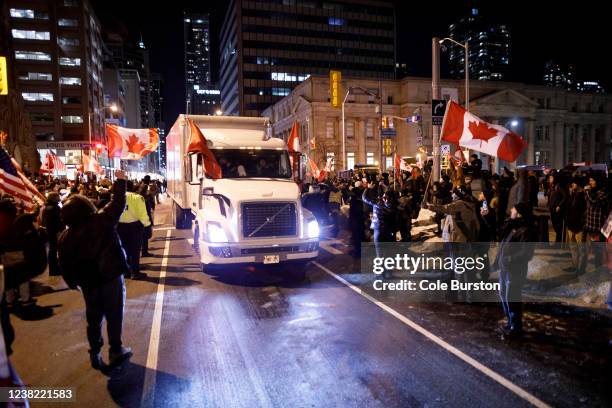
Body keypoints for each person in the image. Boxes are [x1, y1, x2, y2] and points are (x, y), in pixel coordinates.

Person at [58, 170, 132, 369]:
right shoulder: (101, 221)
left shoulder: (64, 237)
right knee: (114, 315)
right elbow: (118, 203)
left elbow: (63, 264)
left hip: (88, 284)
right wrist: (121, 181)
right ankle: (116, 350)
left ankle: (95, 352)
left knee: (94, 318)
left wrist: (74, 283)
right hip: (110, 279)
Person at [495, 202, 538, 338]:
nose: (511, 211)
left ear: (519, 212)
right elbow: (498, 233)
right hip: (504, 267)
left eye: (513, 209)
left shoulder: (526, 229)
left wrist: (509, 259)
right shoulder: (513, 225)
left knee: (512, 297)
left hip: (514, 270)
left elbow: (526, 253)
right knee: (503, 295)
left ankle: (516, 327)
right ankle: (510, 321)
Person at [118, 181, 151, 279]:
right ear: (132, 187)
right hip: (134, 227)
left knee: (124, 249)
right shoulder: (137, 198)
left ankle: (126, 272)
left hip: (120, 227)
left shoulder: (117, 197)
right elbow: (143, 214)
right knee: (135, 250)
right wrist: (147, 226)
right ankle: (135, 272)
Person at [583, 175, 609, 270]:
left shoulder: (603, 193)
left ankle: (599, 272)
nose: (590, 183)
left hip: (598, 228)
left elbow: (593, 202)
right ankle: (582, 270)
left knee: (598, 252)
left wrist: (587, 191)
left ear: (598, 181)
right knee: (587, 250)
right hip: (589, 226)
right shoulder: (592, 192)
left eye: (592, 180)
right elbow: (588, 203)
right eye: (590, 180)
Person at [565, 179, 587, 274]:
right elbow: (569, 207)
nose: (571, 185)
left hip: (579, 226)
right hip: (571, 225)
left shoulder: (585, 195)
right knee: (573, 248)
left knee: (582, 249)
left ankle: (581, 269)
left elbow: (585, 211)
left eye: (573, 183)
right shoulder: (573, 194)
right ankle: (575, 265)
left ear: (578, 185)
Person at [41, 192, 64, 276]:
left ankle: (54, 268)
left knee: (53, 249)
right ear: (54, 198)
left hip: (52, 231)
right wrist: (59, 230)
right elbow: (56, 221)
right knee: (53, 250)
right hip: (54, 231)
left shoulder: (49, 207)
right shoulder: (53, 208)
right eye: (57, 196)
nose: (59, 197)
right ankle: (54, 269)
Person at [548, 177, 568, 243]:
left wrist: (559, 206)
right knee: (554, 225)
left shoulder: (558, 186)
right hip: (552, 209)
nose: (550, 179)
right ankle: (558, 241)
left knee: (558, 226)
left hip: (557, 210)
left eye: (551, 177)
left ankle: (558, 242)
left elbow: (565, 196)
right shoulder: (553, 186)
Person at [348, 181, 365, 257]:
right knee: (359, 236)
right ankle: (357, 251)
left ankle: (357, 252)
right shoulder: (358, 200)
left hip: (356, 221)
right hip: (359, 220)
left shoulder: (355, 200)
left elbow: (353, 211)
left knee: (357, 237)